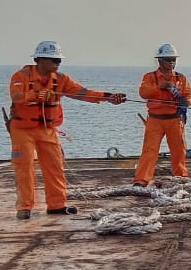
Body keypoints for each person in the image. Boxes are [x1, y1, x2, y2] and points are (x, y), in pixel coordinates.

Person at [8, 41, 126, 219]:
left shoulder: (61, 79)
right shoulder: (21, 76)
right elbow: (16, 96)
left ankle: (57, 205)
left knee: (55, 166)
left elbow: (83, 93)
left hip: (48, 129)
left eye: (59, 60)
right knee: (24, 167)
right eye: (54, 60)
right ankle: (24, 207)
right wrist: (35, 95)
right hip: (22, 129)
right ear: (40, 60)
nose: (58, 63)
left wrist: (108, 97)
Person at [134, 43, 191, 186]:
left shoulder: (181, 78)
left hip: (175, 120)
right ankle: (141, 180)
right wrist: (160, 87)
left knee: (179, 150)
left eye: (174, 59)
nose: (172, 62)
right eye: (169, 59)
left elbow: (190, 95)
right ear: (160, 61)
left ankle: (181, 177)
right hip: (155, 120)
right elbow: (143, 93)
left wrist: (186, 102)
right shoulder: (150, 77)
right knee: (149, 151)